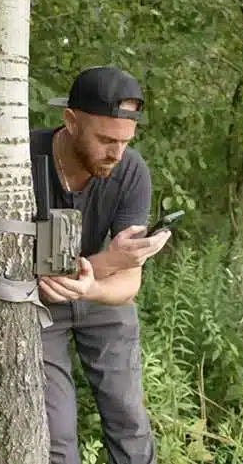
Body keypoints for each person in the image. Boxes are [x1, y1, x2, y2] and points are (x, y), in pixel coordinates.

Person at [30, 66, 171, 464]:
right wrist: (106, 261)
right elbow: (34, 281)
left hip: (101, 293)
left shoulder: (130, 171)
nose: (116, 153)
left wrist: (93, 286)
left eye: (125, 142)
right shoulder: (22, 159)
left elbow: (129, 284)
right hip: (38, 305)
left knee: (128, 419)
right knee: (56, 432)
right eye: (106, 140)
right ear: (71, 122)